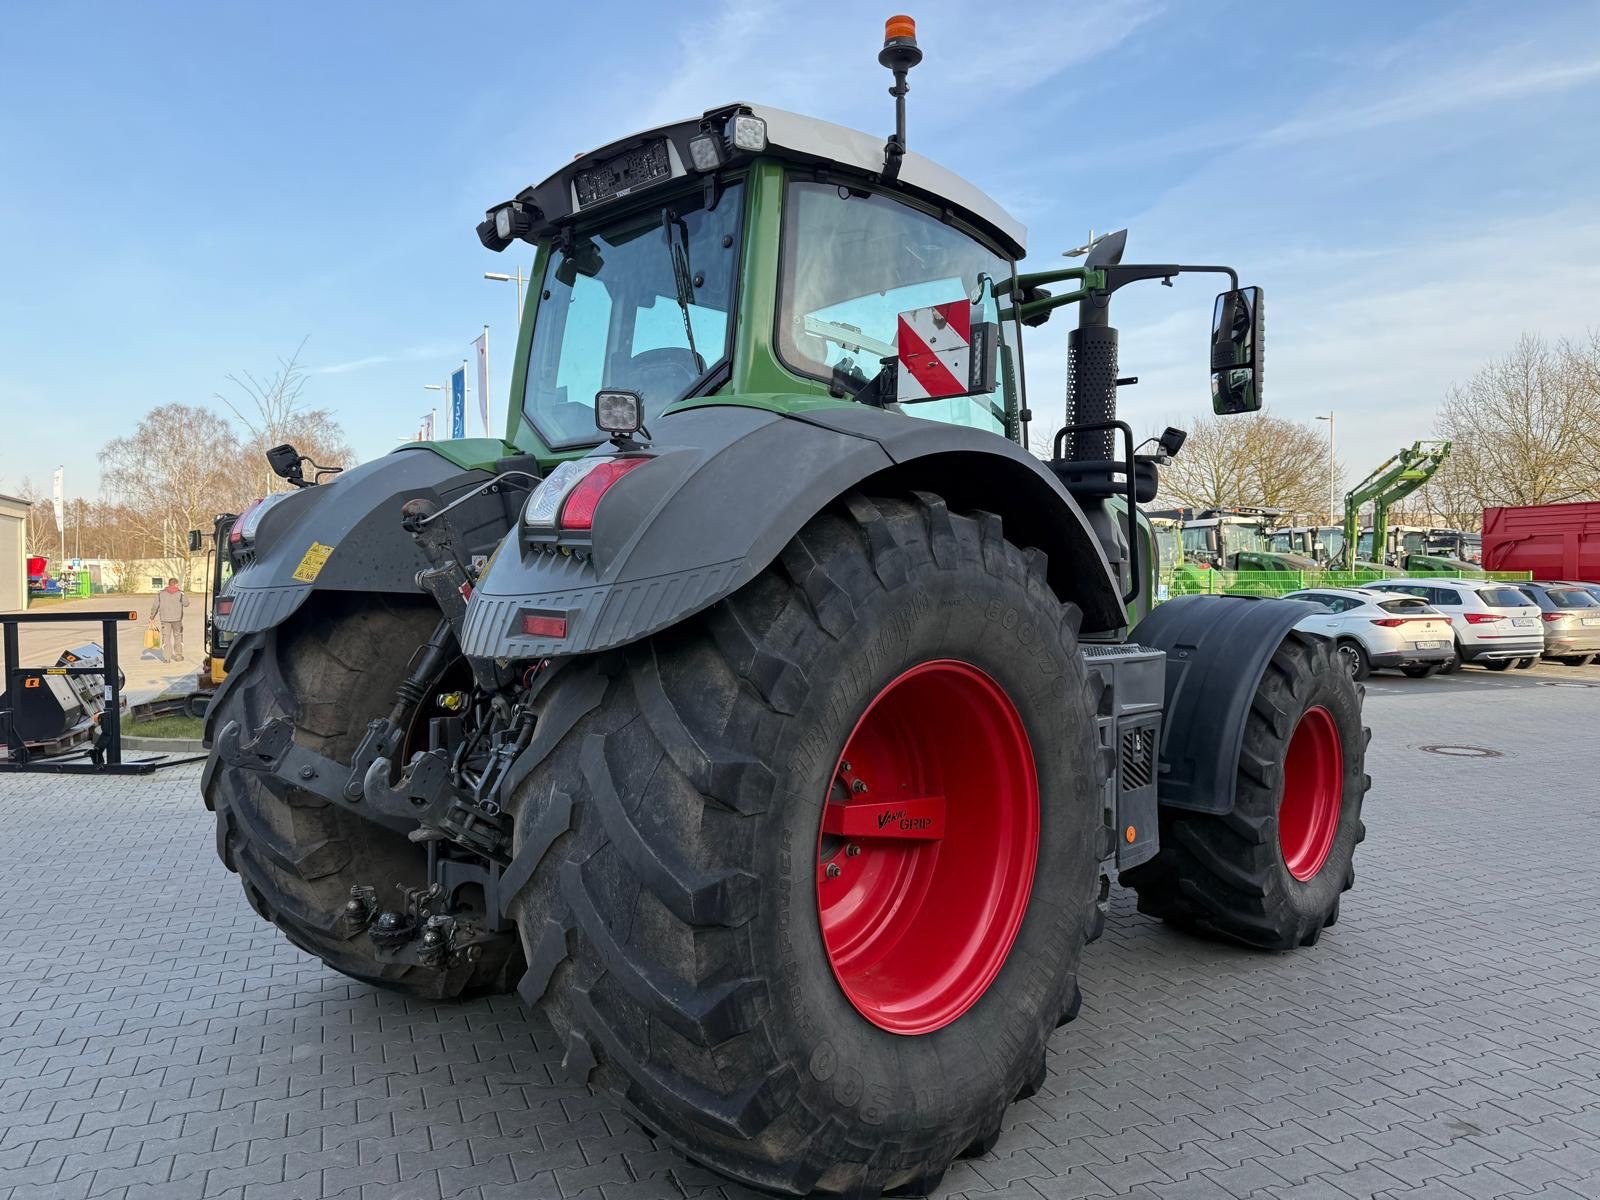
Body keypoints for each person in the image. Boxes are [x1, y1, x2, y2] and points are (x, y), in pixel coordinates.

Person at [148, 577, 189, 663]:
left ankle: (167, 658)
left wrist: (152, 616)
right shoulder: (180, 593)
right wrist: (183, 594)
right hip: (177, 619)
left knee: (166, 637)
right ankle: (178, 656)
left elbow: (155, 606)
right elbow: (186, 604)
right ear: (176, 584)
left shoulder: (160, 594)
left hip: (165, 619)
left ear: (169, 584)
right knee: (178, 636)